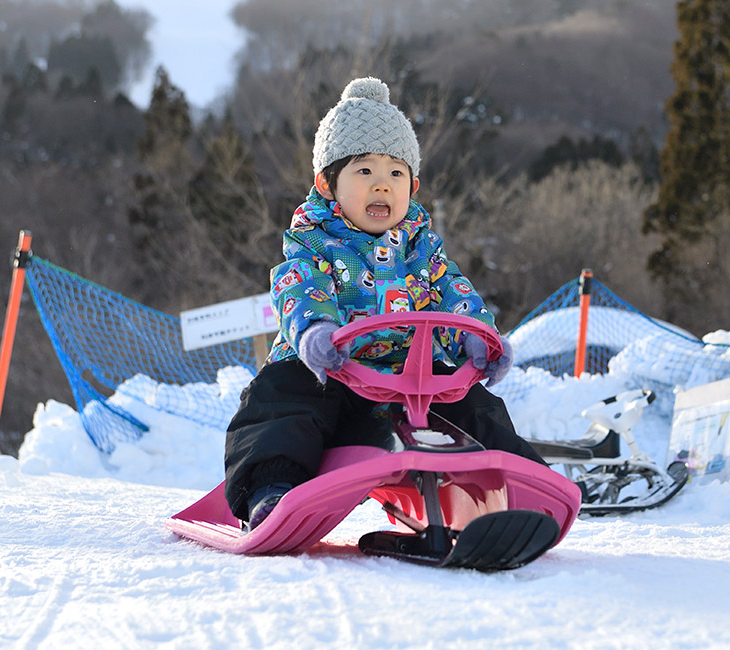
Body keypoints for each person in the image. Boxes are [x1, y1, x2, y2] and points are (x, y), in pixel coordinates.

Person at [224, 77, 545, 530]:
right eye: (365, 172)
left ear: (412, 186)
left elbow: (454, 292)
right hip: (332, 372)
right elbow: (299, 287)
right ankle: (273, 490)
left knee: (474, 404)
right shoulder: (314, 242)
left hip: (413, 381)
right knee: (280, 395)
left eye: (396, 174)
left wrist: (478, 338)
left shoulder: (421, 248)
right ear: (327, 184)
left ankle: (518, 487)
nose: (382, 186)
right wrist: (316, 333)